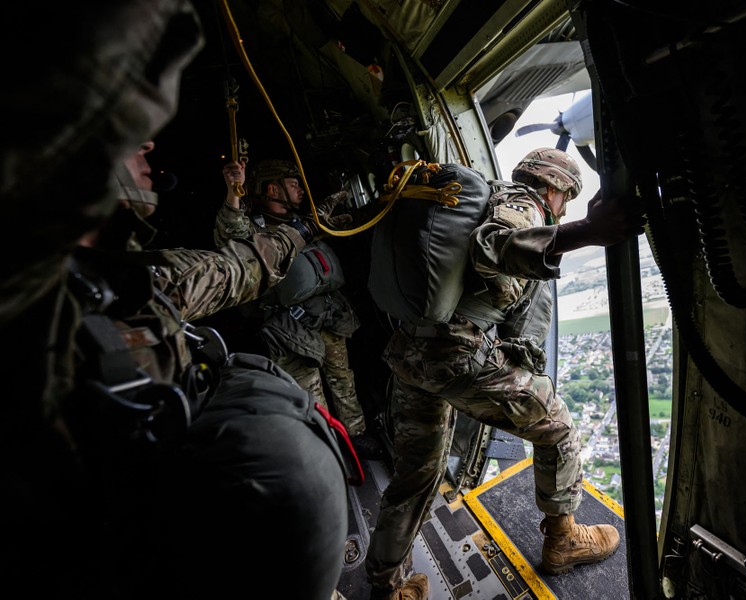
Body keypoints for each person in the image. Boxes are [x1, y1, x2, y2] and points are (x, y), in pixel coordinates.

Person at [1, 4, 353, 598]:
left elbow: (226, 271)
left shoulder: (120, 278)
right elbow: (232, 258)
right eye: (119, 131)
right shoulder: (32, 300)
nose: (146, 144)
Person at [364, 148, 646, 599]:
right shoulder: (522, 203)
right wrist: (587, 231)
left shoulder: (488, 198)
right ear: (553, 188)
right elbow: (493, 247)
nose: (562, 208)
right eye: (565, 199)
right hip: (456, 353)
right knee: (559, 431)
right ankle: (563, 540)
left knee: (415, 473)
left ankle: (385, 584)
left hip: (411, 352)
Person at [215, 158, 382, 457]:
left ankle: (355, 437)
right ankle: (324, 450)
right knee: (308, 392)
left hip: (328, 314)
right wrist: (233, 191)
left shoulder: (304, 223)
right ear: (272, 188)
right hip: (289, 326)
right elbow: (230, 235)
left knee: (342, 378)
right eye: (294, 185)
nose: (301, 191)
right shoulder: (254, 229)